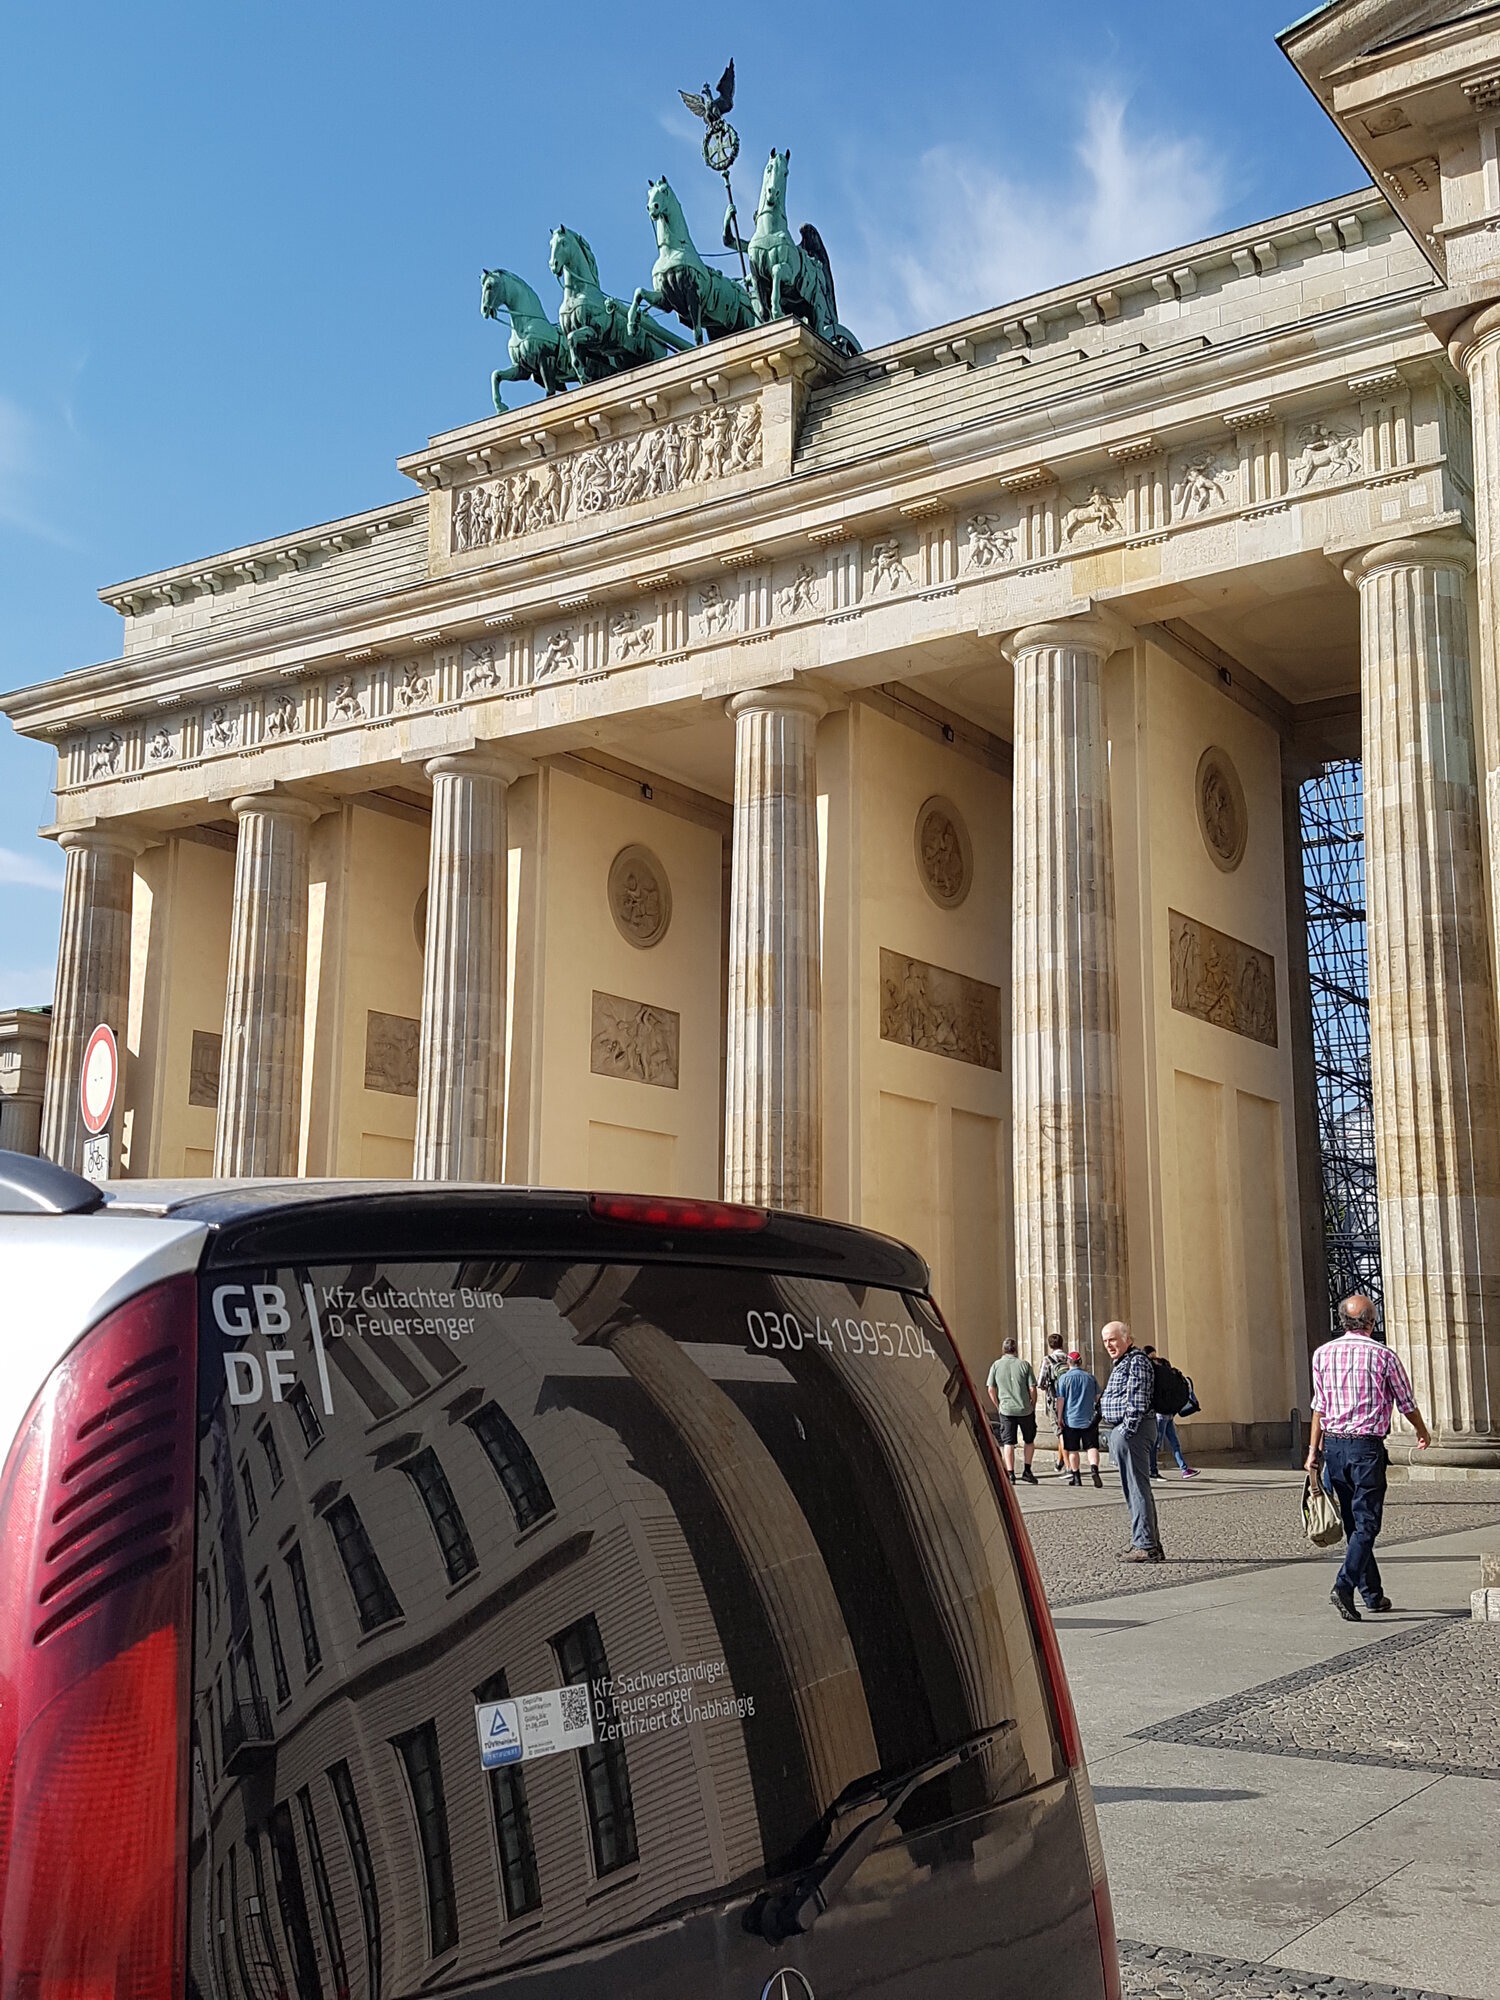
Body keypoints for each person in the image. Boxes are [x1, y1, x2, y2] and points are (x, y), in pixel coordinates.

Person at [1306, 1293, 1431, 1620]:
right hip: (1365, 1448)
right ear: (1372, 1323)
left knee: (1354, 1523)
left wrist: (1312, 1451)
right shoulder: (1383, 1356)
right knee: (1368, 1523)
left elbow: (1319, 1406)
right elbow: (1405, 1401)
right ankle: (1344, 1585)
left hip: (1333, 1446)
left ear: (1343, 1322)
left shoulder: (1322, 1354)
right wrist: (1422, 1431)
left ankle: (1372, 1595)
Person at [1100, 1320, 1164, 1561]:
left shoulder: (1137, 1361)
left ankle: (1145, 1546)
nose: (1109, 1345)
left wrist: (1125, 1432)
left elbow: (1138, 1400)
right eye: (1105, 1341)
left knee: (1137, 1489)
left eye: (1113, 1339)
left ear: (1127, 1339)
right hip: (1129, 1433)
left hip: (1134, 1433)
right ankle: (1149, 1543)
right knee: (1136, 1489)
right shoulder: (1123, 1362)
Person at [1142, 1343, 1199, 1480]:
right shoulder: (1161, 1366)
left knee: (1166, 1442)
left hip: (1163, 1413)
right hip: (1165, 1413)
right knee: (1163, 1442)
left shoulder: (1152, 1368)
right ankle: (1154, 1470)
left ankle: (1183, 1469)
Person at [986, 1336, 1039, 1484]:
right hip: (1024, 1409)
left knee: (1008, 1442)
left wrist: (998, 1405)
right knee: (1029, 1440)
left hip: (1006, 1409)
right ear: (1016, 1350)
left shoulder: (996, 1365)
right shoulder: (1024, 1365)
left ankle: (1010, 1474)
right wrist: (1032, 1404)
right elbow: (1032, 1388)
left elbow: (991, 1389)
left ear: (1003, 1350)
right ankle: (1027, 1471)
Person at [1055, 1349, 1103, 1487]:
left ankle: (1076, 1477)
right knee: (1092, 1446)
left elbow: (1060, 1400)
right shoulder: (1090, 1377)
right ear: (1080, 1363)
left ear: (1068, 1363)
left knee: (1073, 1449)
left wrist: (1059, 1417)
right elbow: (1098, 1397)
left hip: (1071, 1419)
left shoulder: (1064, 1378)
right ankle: (1094, 1469)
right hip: (1089, 1419)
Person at [1037, 1334, 1071, 1474]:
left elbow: (1040, 1382)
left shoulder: (1048, 1360)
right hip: (1070, 1399)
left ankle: (1069, 1467)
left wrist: (1047, 1387)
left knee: (1060, 1432)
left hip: (1055, 1399)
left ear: (1050, 1345)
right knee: (1064, 1431)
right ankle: (1060, 1462)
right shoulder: (1069, 1359)